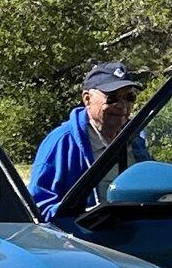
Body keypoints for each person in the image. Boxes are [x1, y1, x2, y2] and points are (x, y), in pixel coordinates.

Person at [26, 61, 147, 215]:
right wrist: (83, 218)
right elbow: (39, 207)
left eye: (129, 97)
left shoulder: (136, 141)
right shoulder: (62, 142)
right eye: (112, 97)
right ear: (87, 99)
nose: (122, 105)